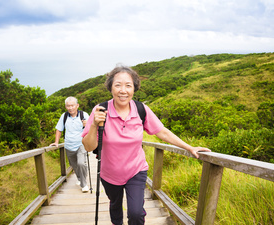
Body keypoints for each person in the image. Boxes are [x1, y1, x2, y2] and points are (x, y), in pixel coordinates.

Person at [81, 66, 211, 225]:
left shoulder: (141, 110)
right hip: (110, 173)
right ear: (110, 87)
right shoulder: (101, 110)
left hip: (136, 170)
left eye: (128, 85)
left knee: (136, 213)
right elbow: (88, 147)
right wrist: (94, 124)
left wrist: (189, 147)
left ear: (134, 88)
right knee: (115, 205)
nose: (123, 90)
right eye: (118, 85)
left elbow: (162, 132)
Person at [50, 96, 90, 193]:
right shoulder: (64, 116)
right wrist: (56, 142)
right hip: (69, 145)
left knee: (81, 163)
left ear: (77, 105)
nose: (70, 108)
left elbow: (92, 128)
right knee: (74, 165)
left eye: (72, 105)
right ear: (66, 106)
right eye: (68, 106)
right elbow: (59, 129)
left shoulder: (83, 115)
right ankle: (80, 178)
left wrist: (87, 125)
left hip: (81, 144)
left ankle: (84, 184)